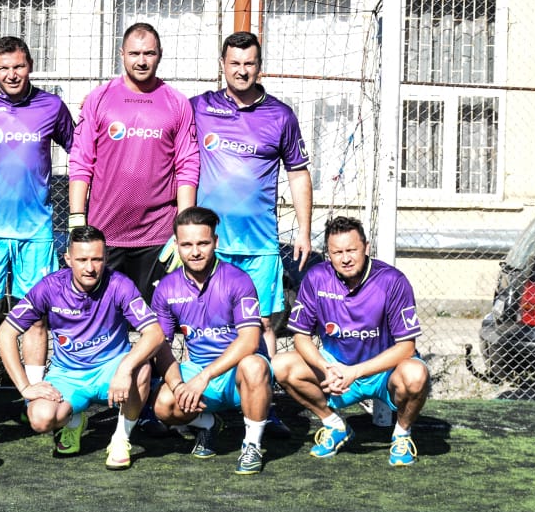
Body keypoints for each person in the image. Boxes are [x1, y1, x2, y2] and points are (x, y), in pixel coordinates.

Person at [0, 223, 164, 470]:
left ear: (106, 258)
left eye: (97, 259)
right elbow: (4, 334)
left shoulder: (120, 284)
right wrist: (25, 387)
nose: (90, 267)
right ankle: (73, 421)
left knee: (141, 369)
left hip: (110, 371)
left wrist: (125, 368)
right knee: (40, 419)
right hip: (68, 376)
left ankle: (121, 438)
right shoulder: (49, 287)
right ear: (68, 259)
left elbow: (155, 333)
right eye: (82, 259)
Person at [191, 31, 312, 359]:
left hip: (259, 243)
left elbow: (298, 174)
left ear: (259, 66)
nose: (241, 71)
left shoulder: (281, 116)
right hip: (210, 242)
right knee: (207, 320)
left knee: (262, 323)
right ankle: (208, 387)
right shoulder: (200, 107)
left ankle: (263, 390)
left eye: (249, 64)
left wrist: (303, 231)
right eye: (235, 63)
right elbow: (162, 118)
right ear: (222, 64)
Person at [273, 216, 430, 466]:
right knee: (281, 366)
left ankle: (402, 434)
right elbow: (301, 336)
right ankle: (335, 425)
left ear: (366, 247)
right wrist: (325, 367)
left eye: (351, 250)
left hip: (383, 372)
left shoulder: (392, 281)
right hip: (335, 368)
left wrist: (355, 372)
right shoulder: (316, 278)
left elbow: (406, 347)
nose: (345, 258)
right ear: (329, 253)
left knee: (416, 375)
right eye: (337, 252)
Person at [67, 22, 199, 300]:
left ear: (160, 54)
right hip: (104, 234)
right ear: (122, 54)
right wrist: (77, 219)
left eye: (149, 53)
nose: (141, 61)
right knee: (100, 314)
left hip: (158, 237)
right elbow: (81, 161)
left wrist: (184, 228)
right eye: (134, 53)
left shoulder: (177, 103)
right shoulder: (99, 98)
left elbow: (187, 166)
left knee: (156, 318)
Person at [0, 35, 75, 340]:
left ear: (30, 65)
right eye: (3, 68)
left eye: (18, 66)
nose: (11, 74)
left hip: (34, 230)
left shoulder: (52, 106)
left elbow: (80, 152)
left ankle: (32, 374)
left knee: (35, 318)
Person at [149, 207, 271, 475]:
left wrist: (204, 377)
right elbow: (161, 345)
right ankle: (208, 424)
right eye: (187, 245)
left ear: (215, 242)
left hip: (238, 374)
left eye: (202, 243)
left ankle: (252, 445)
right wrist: (178, 385)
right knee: (163, 404)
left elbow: (250, 341)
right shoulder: (166, 288)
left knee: (254, 365)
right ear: (176, 245)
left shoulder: (238, 280)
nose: (195, 252)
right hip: (199, 371)